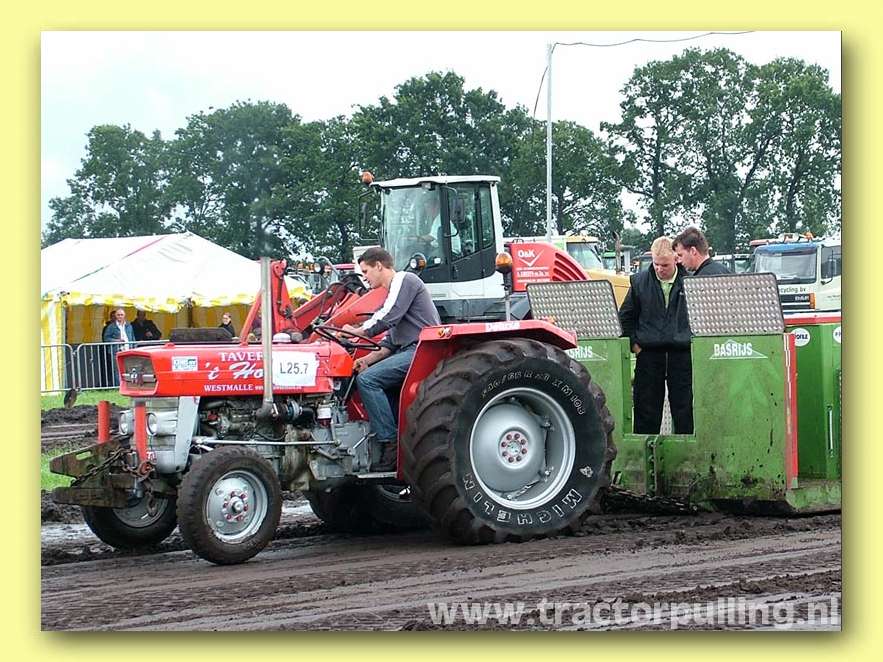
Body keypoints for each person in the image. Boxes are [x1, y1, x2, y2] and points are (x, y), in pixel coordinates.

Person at [340, 247, 441, 471]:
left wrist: (355, 332)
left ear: (379, 266)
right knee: (361, 374)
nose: (364, 277)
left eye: (366, 271)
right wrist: (367, 360)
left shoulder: (405, 280)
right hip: (407, 350)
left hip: (422, 350)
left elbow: (387, 316)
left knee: (368, 380)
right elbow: (389, 343)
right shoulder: (395, 294)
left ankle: (389, 442)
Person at [618, 236, 693, 434]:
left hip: (681, 354)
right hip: (648, 354)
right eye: (656, 264)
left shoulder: (690, 282)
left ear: (676, 259)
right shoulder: (639, 282)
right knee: (646, 410)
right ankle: (645, 449)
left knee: (685, 410)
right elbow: (625, 318)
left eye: (665, 265)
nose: (659, 269)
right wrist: (635, 346)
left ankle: (686, 449)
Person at [101, 308, 135, 387]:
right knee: (117, 370)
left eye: (121, 315)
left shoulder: (129, 326)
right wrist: (116, 341)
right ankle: (119, 386)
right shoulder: (111, 327)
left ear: (124, 316)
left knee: (129, 369)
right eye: (118, 315)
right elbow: (106, 338)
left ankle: (129, 386)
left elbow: (133, 338)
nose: (120, 316)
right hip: (116, 351)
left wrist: (133, 348)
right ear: (116, 316)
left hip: (128, 350)